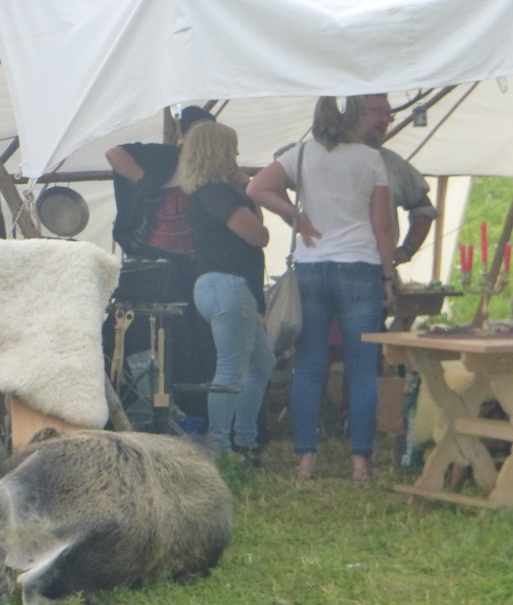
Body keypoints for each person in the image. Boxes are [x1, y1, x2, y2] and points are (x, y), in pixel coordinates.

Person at [248, 96, 395, 482]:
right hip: (360, 265)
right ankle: (361, 463)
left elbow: (258, 187)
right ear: (351, 119)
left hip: (312, 266)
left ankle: (305, 460)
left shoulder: (301, 155)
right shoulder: (370, 160)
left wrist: (295, 216)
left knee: (309, 366)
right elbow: (382, 225)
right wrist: (388, 276)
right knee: (362, 369)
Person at [106, 106, 218, 417]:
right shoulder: (163, 157)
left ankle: (194, 413)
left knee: (194, 344)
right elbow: (114, 153)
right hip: (154, 264)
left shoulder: (214, 173)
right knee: (143, 337)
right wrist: (145, 183)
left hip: (194, 269)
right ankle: (131, 407)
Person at [179, 121, 275, 463]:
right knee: (232, 368)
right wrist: (248, 192)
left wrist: (248, 189)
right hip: (228, 285)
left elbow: (255, 228)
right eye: (231, 149)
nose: (236, 154)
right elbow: (258, 236)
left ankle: (244, 440)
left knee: (262, 362)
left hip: (219, 287)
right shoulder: (216, 193)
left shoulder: (213, 192)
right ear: (218, 152)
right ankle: (220, 446)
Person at [357, 93, 438, 271]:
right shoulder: (322, 155)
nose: (384, 120)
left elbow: (424, 210)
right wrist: (295, 218)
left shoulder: (392, 163)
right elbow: (279, 181)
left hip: (375, 269)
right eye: (378, 112)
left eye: (388, 115)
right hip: (324, 265)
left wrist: (407, 249)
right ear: (354, 114)